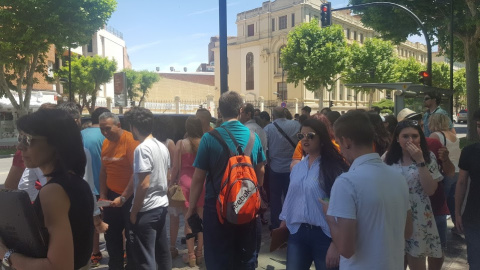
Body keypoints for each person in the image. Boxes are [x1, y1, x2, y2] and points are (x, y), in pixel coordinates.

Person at [0, 109, 94, 270]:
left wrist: (6, 254)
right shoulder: (76, 183)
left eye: (28, 139)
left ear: (56, 143)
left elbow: (59, 266)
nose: (20, 146)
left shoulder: (53, 191)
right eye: (20, 138)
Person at [185, 91, 266, 269]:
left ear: (219, 111)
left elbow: (198, 179)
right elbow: (260, 170)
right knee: (245, 257)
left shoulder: (209, 138)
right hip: (246, 204)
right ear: (241, 109)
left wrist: (191, 208)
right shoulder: (254, 137)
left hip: (217, 207)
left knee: (218, 259)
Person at [322, 111, 412, 269]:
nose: (340, 150)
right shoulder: (398, 177)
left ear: (346, 141)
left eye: (338, 142)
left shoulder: (346, 182)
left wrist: (329, 216)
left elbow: (346, 249)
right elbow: (408, 231)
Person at [280, 118, 348, 270]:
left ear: (321, 138)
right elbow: (291, 198)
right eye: (301, 136)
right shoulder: (297, 168)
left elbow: (342, 207)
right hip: (298, 232)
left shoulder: (333, 168)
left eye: (310, 135)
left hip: (325, 234)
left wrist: (336, 244)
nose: (305, 139)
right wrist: (283, 222)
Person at [384, 119, 443, 269]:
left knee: (417, 261)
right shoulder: (387, 158)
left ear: (420, 138)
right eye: (405, 136)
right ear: (397, 138)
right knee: (395, 262)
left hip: (419, 214)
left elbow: (430, 190)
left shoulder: (428, 157)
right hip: (394, 213)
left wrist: (420, 161)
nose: (410, 140)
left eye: (414, 136)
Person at [123, 107, 172, 270]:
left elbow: (143, 184)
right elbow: (168, 177)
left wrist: (134, 212)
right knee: (162, 252)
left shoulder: (142, 149)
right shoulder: (161, 145)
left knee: (145, 257)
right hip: (161, 206)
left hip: (147, 209)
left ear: (134, 127)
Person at [99, 112, 139, 270]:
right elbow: (103, 171)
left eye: (108, 128)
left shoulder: (130, 141)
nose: (105, 132)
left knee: (131, 235)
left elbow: (136, 173)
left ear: (118, 125)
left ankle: (132, 266)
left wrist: (123, 197)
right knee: (111, 235)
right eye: (102, 129)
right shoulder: (105, 143)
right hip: (111, 196)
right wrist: (103, 194)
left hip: (129, 197)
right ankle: (115, 265)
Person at [170, 116, 205, 267]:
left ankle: (190, 255)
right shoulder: (205, 141)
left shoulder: (181, 144)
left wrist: (171, 183)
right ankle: (199, 253)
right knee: (201, 221)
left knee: (189, 220)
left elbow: (176, 167)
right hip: (202, 183)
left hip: (185, 184)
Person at [81, 107, 111, 267]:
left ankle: (95, 253)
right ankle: (121, 250)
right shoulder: (108, 134)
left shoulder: (80, 135)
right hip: (107, 187)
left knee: (93, 221)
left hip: (87, 187)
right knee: (112, 220)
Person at [264, 106, 301, 229]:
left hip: (275, 168)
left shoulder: (268, 128)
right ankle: (292, 223)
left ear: (273, 115)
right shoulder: (296, 125)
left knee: (275, 198)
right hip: (293, 167)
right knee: (291, 196)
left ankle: (276, 224)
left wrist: (268, 162)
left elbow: (265, 149)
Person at [455, 108, 480, 270]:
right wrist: (457, 213)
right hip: (473, 217)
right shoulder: (469, 152)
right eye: (479, 125)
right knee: (475, 262)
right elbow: (461, 182)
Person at [429, 113, 461, 233]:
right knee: (453, 202)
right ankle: (458, 226)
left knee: (441, 204)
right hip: (457, 172)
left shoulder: (435, 135)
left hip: (445, 173)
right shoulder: (454, 136)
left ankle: (438, 234)